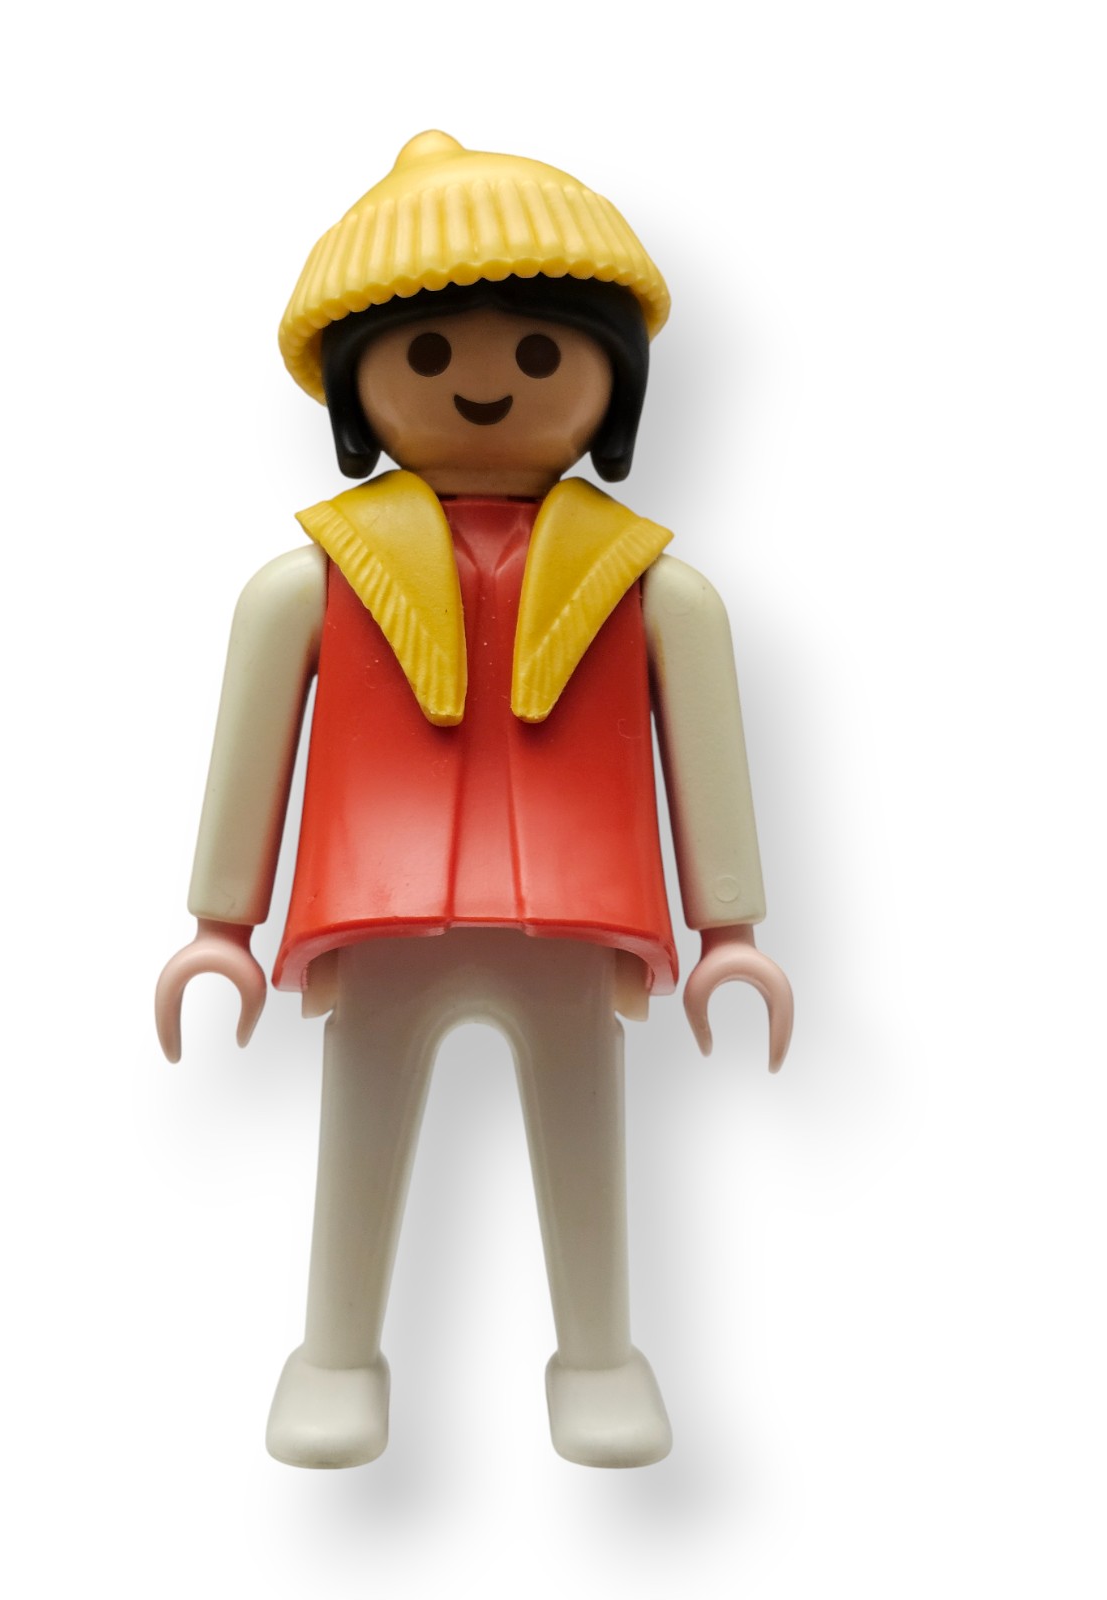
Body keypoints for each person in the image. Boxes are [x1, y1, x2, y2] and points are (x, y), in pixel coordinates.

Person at [156, 131, 793, 1468]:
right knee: (361, 1135)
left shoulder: (652, 588)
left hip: (575, 912)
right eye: (432, 351)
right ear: (357, 384)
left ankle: (600, 1356)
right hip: (378, 910)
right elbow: (256, 735)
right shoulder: (312, 584)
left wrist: (729, 931)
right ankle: (336, 1354)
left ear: (612, 381)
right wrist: (221, 924)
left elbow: (706, 746)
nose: (487, 383)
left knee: (584, 1135)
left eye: (543, 351)